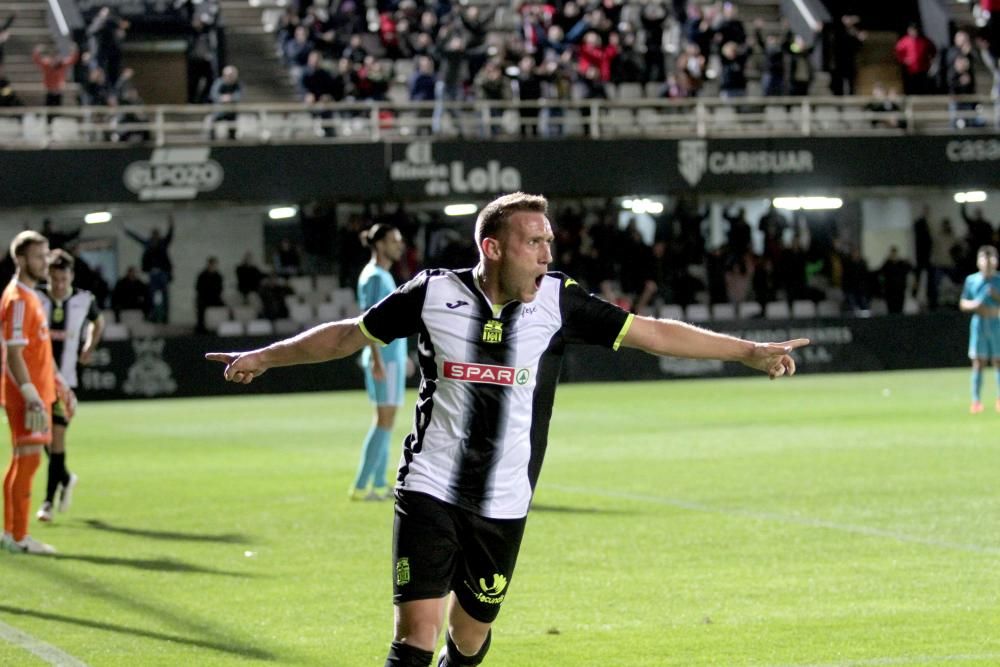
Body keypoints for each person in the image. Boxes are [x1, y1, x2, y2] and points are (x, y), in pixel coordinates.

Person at [207, 192, 807, 667]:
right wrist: (266, 356)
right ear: (493, 248)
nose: (547, 253)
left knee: (468, 639)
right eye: (534, 242)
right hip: (430, 484)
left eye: (549, 240)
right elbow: (346, 335)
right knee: (417, 633)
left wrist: (747, 350)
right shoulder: (432, 292)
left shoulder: (559, 302)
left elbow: (655, 333)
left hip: (504, 500)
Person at [1, 231, 60, 554]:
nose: (45, 262)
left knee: (22, 461)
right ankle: (20, 537)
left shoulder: (30, 296)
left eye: (46, 255)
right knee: (29, 461)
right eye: (39, 256)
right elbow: (13, 353)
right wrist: (31, 395)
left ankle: (11, 532)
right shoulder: (18, 299)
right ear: (21, 260)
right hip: (27, 397)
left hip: (36, 392)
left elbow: (37, 351)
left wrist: (59, 384)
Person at [34, 249, 103, 522]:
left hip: (65, 383)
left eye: (64, 279)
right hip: (37, 382)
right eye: (54, 279)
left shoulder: (84, 300)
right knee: (43, 439)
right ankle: (66, 477)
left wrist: (89, 345)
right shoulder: (36, 297)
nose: (59, 284)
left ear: (71, 276)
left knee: (57, 439)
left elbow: (98, 323)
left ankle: (47, 503)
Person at [350, 224, 407, 501]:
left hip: (390, 357)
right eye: (394, 240)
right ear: (381, 244)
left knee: (387, 421)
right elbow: (368, 322)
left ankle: (379, 483)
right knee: (383, 420)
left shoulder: (382, 275)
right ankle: (363, 485)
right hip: (383, 359)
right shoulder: (374, 277)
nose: (399, 245)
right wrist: (376, 360)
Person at [959, 245, 1000, 414]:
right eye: (984, 258)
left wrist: (995, 295)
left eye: (991, 258)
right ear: (978, 261)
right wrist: (975, 304)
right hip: (979, 323)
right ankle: (976, 401)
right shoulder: (972, 280)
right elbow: (963, 303)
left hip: (996, 322)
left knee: (998, 361)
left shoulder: (998, 280)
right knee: (978, 362)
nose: (988, 262)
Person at [124, 216, 174, 323]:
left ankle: (165, 317)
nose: (155, 237)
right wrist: (127, 231)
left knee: (164, 296)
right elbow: (137, 238)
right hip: (153, 272)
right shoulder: (149, 244)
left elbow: (170, 236)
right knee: (151, 295)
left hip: (162, 273)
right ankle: (153, 315)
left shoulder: (162, 243)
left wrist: (171, 224)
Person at [195, 256, 225, 334]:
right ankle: (201, 328)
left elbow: (220, 289)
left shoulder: (218, 276)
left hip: (215, 298)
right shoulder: (202, 275)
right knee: (201, 306)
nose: (213, 266)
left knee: (224, 307)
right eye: (212, 264)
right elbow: (199, 288)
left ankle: (221, 327)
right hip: (204, 298)